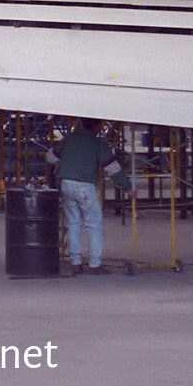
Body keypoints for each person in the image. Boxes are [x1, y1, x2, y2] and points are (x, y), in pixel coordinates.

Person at [56, 118, 133, 276]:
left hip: (66, 184)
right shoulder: (98, 144)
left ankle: (75, 263)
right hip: (85, 187)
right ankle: (95, 264)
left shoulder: (69, 139)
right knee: (94, 225)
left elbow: (50, 157)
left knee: (73, 224)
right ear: (97, 127)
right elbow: (112, 168)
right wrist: (127, 186)